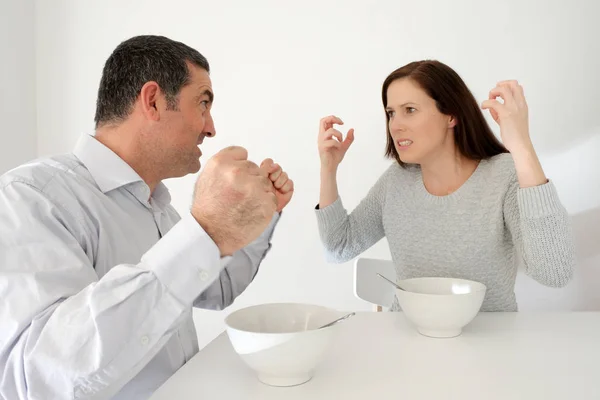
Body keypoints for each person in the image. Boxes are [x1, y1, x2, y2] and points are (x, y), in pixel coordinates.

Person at [0, 35, 294, 399]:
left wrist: (259, 217)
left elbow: (219, 290)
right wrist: (204, 230)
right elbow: (42, 378)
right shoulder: (31, 197)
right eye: (203, 103)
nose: (211, 127)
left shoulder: (159, 209)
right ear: (153, 100)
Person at [315, 60, 576, 312]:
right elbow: (338, 247)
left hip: (490, 344)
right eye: (391, 113)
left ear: (450, 115)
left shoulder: (503, 175)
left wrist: (521, 144)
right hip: (409, 339)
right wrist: (329, 169)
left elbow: (554, 272)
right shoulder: (396, 181)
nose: (395, 125)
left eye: (410, 110)